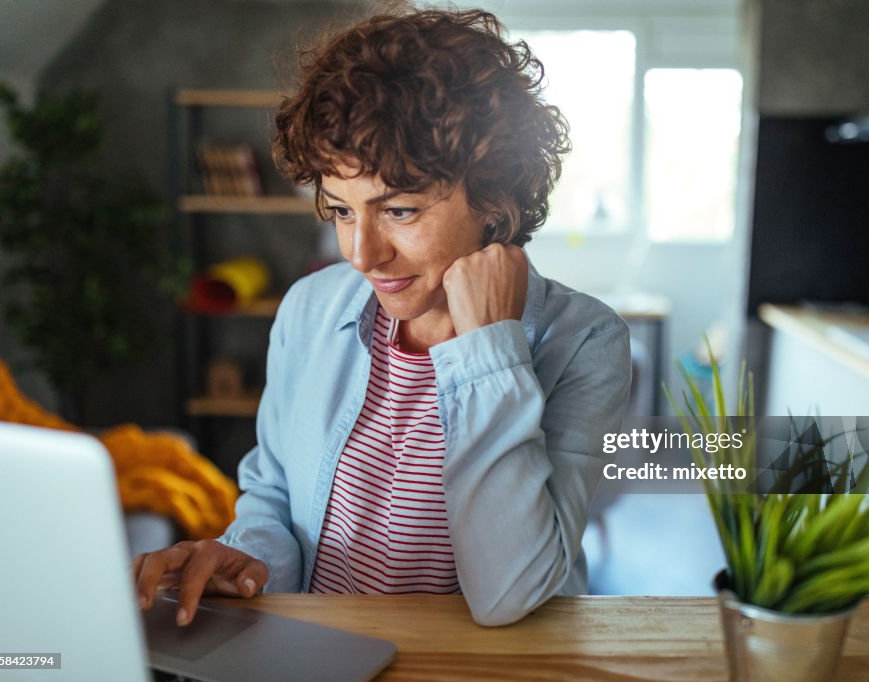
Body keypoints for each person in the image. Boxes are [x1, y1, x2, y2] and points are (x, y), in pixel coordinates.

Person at [134, 4, 631, 628]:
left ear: (495, 196)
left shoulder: (586, 341)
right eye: (342, 210)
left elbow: (512, 592)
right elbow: (272, 497)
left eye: (398, 210)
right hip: (319, 656)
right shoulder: (309, 311)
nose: (361, 255)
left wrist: (490, 350)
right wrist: (247, 561)